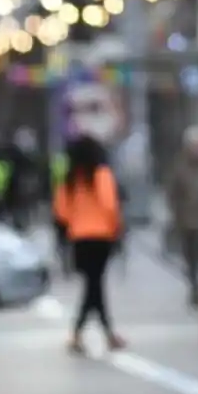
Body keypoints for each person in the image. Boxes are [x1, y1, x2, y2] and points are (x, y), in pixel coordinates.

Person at [54, 135, 126, 354]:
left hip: (79, 238)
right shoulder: (101, 175)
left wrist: (76, 222)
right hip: (101, 236)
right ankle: (87, 333)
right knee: (94, 287)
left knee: (93, 286)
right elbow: (110, 206)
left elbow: (61, 211)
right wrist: (116, 229)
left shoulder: (69, 180)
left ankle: (102, 334)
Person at [167, 126, 198, 305]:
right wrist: (176, 216)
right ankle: (196, 290)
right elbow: (173, 195)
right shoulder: (180, 167)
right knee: (192, 260)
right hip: (187, 222)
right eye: (195, 145)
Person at [51, 148, 72, 276]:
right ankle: (67, 263)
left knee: (62, 240)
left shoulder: (58, 162)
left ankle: (65, 262)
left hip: (61, 211)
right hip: (67, 211)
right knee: (66, 240)